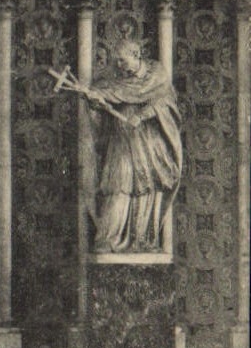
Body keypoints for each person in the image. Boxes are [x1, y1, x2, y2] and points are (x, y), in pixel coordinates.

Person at [54, 38, 182, 254]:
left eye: (123, 61)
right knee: (119, 185)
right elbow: (107, 94)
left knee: (148, 188)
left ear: (137, 55)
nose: (119, 66)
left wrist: (141, 116)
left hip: (149, 142)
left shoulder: (157, 74)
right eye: (117, 62)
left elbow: (165, 102)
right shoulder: (115, 79)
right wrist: (95, 99)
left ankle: (142, 240)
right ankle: (108, 239)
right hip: (122, 142)